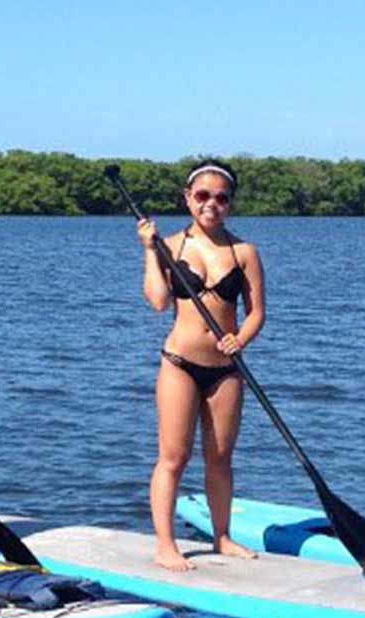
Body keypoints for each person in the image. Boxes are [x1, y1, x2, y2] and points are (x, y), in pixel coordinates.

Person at [135, 160, 266, 571]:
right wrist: (149, 252)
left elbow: (257, 312)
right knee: (173, 456)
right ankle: (165, 545)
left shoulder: (244, 251)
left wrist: (240, 339)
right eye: (203, 196)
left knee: (220, 458)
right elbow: (157, 302)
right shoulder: (169, 246)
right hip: (180, 364)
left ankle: (222, 537)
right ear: (188, 199)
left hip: (225, 369)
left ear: (230, 204)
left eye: (221, 198)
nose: (212, 204)